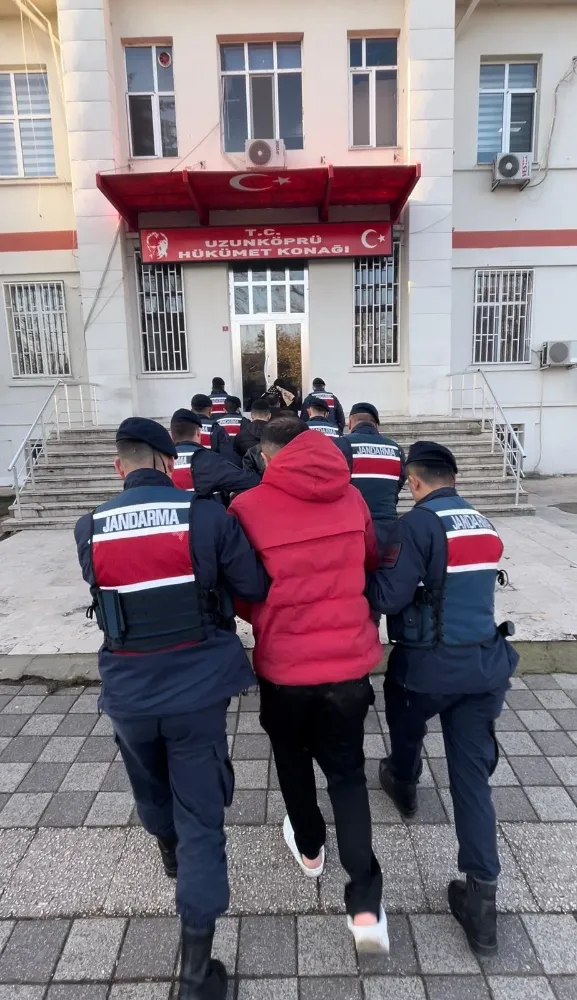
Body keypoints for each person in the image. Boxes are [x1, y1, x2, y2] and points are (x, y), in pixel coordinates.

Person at [74, 417, 268, 1000]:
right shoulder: (206, 517)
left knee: (149, 783)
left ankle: (167, 847)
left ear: (120, 466)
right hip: (196, 693)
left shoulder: (90, 527)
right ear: (168, 461)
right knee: (201, 819)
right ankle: (196, 972)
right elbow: (253, 586)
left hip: (129, 693)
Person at [230, 420, 389, 954]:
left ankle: (311, 848)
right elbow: (368, 563)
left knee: (292, 761)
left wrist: (267, 617)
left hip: (285, 668)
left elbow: (242, 589)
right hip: (348, 667)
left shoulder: (248, 507)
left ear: (268, 456)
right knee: (347, 775)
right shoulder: (353, 498)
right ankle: (366, 911)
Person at [367, 441, 519, 959]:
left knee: (404, 717)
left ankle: (404, 780)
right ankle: (482, 902)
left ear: (413, 481)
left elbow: (389, 595)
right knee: (471, 780)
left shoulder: (417, 525)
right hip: (485, 667)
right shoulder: (483, 523)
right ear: (455, 477)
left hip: (428, 669)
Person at [348, 402, 406, 552]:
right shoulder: (396, 449)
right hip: (388, 527)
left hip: (354, 526)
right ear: (376, 424)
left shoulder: (343, 444)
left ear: (350, 422)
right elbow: (399, 482)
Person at [170, 408, 260, 500]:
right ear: (198, 432)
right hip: (203, 508)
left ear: (171, 436)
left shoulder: (165, 461)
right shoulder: (208, 460)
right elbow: (249, 480)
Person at [306, 397, 353, 474]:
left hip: (308, 471)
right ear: (326, 414)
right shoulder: (335, 430)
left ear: (309, 412)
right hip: (330, 471)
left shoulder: (303, 428)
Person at [191, 393, 238, 465]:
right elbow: (228, 456)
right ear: (210, 410)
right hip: (210, 468)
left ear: (192, 409)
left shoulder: (184, 427)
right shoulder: (216, 428)